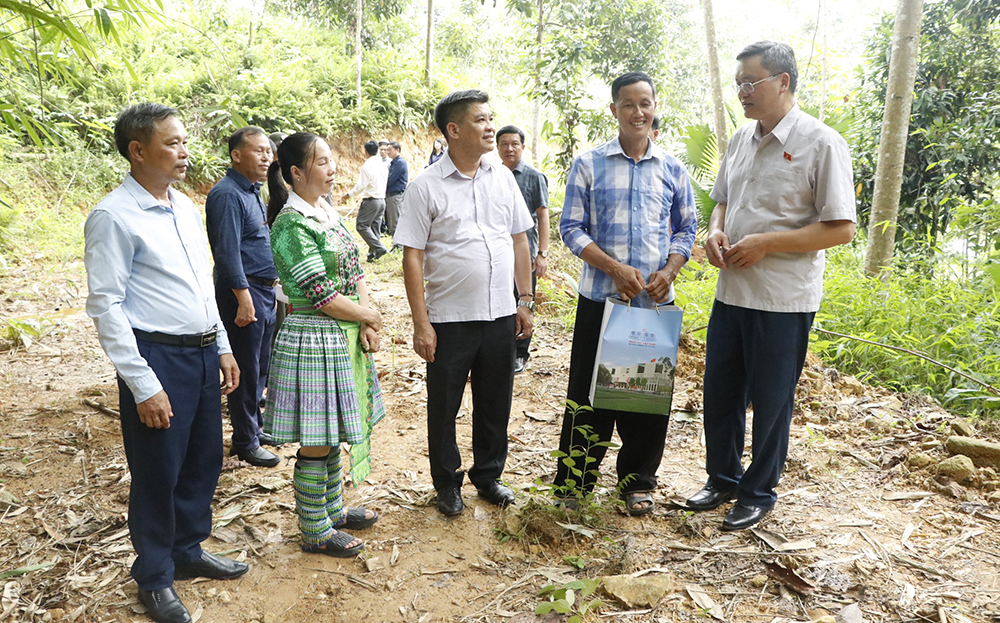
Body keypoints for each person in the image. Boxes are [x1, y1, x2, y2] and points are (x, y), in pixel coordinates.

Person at [84, 103, 248, 623]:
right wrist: (141, 383)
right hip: (157, 356)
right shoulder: (113, 216)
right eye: (172, 143)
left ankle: (188, 549)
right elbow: (105, 304)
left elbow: (201, 285)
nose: (184, 151)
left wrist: (221, 344)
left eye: (184, 141)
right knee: (158, 468)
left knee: (203, 458)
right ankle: (154, 575)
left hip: (201, 351)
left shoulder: (183, 206)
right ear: (137, 150)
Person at [687, 41, 856, 531]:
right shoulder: (741, 138)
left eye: (750, 82)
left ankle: (758, 492)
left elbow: (841, 228)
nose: (742, 92)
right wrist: (716, 230)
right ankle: (722, 478)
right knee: (720, 392)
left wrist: (767, 243)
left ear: (782, 82)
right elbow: (721, 200)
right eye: (737, 83)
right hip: (730, 292)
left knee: (771, 399)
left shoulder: (821, 142)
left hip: (783, 298)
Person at [554, 72, 697, 516]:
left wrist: (670, 269)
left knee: (648, 396)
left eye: (645, 103)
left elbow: (687, 227)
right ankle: (575, 483)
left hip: (654, 303)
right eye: (628, 104)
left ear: (655, 107)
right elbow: (570, 228)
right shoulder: (589, 163)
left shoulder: (672, 168)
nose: (638, 111)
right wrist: (612, 268)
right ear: (613, 110)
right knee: (589, 393)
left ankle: (637, 482)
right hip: (602, 299)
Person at [394, 90, 535, 517]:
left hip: (499, 313)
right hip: (449, 319)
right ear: (453, 130)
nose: (491, 126)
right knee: (445, 406)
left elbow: (518, 239)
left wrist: (525, 300)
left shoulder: (502, 177)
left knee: (496, 401)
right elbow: (412, 256)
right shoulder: (425, 187)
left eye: (491, 118)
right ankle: (446, 483)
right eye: (480, 120)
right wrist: (422, 323)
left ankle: (488, 475)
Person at [264, 132, 386, 557]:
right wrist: (367, 316)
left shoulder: (325, 212)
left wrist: (367, 319)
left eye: (332, 159)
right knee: (317, 437)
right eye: (321, 162)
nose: (332, 168)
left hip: (343, 334)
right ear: (296, 173)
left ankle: (331, 509)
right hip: (314, 338)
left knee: (332, 430)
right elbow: (321, 295)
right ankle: (314, 529)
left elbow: (355, 273)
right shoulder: (291, 224)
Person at [205, 126, 281, 468]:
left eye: (268, 151)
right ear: (237, 155)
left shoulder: (252, 191)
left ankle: (254, 427)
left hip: (262, 289)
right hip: (244, 291)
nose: (266, 157)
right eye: (258, 151)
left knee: (260, 365)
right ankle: (245, 441)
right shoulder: (227, 195)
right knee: (245, 368)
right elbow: (227, 252)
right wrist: (243, 297)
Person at [496, 125, 549, 375]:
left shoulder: (533, 176)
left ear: (523, 147)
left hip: (525, 253)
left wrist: (543, 253)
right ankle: (502, 351)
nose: (509, 148)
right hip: (498, 253)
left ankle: (520, 353)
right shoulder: (491, 175)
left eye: (514, 144)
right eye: (504, 144)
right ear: (497, 148)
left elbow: (543, 214)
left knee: (524, 300)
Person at [342, 140, 388, 262]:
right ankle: (372, 254)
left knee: (361, 225)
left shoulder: (367, 166)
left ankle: (379, 248)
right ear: (377, 150)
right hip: (381, 200)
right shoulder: (382, 165)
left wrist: (349, 194)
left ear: (365, 151)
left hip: (371, 200)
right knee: (375, 227)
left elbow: (361, 185)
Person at [384, 140, 409, 240]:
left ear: (397, 150)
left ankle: (399, 244)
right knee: (391, 220)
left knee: (395, 220)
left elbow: (390, 179)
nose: (388, 152)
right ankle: (396, 243)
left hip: (395, 195)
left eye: (390, 150)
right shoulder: (393, 162)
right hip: (391, 195)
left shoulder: (400, 163)